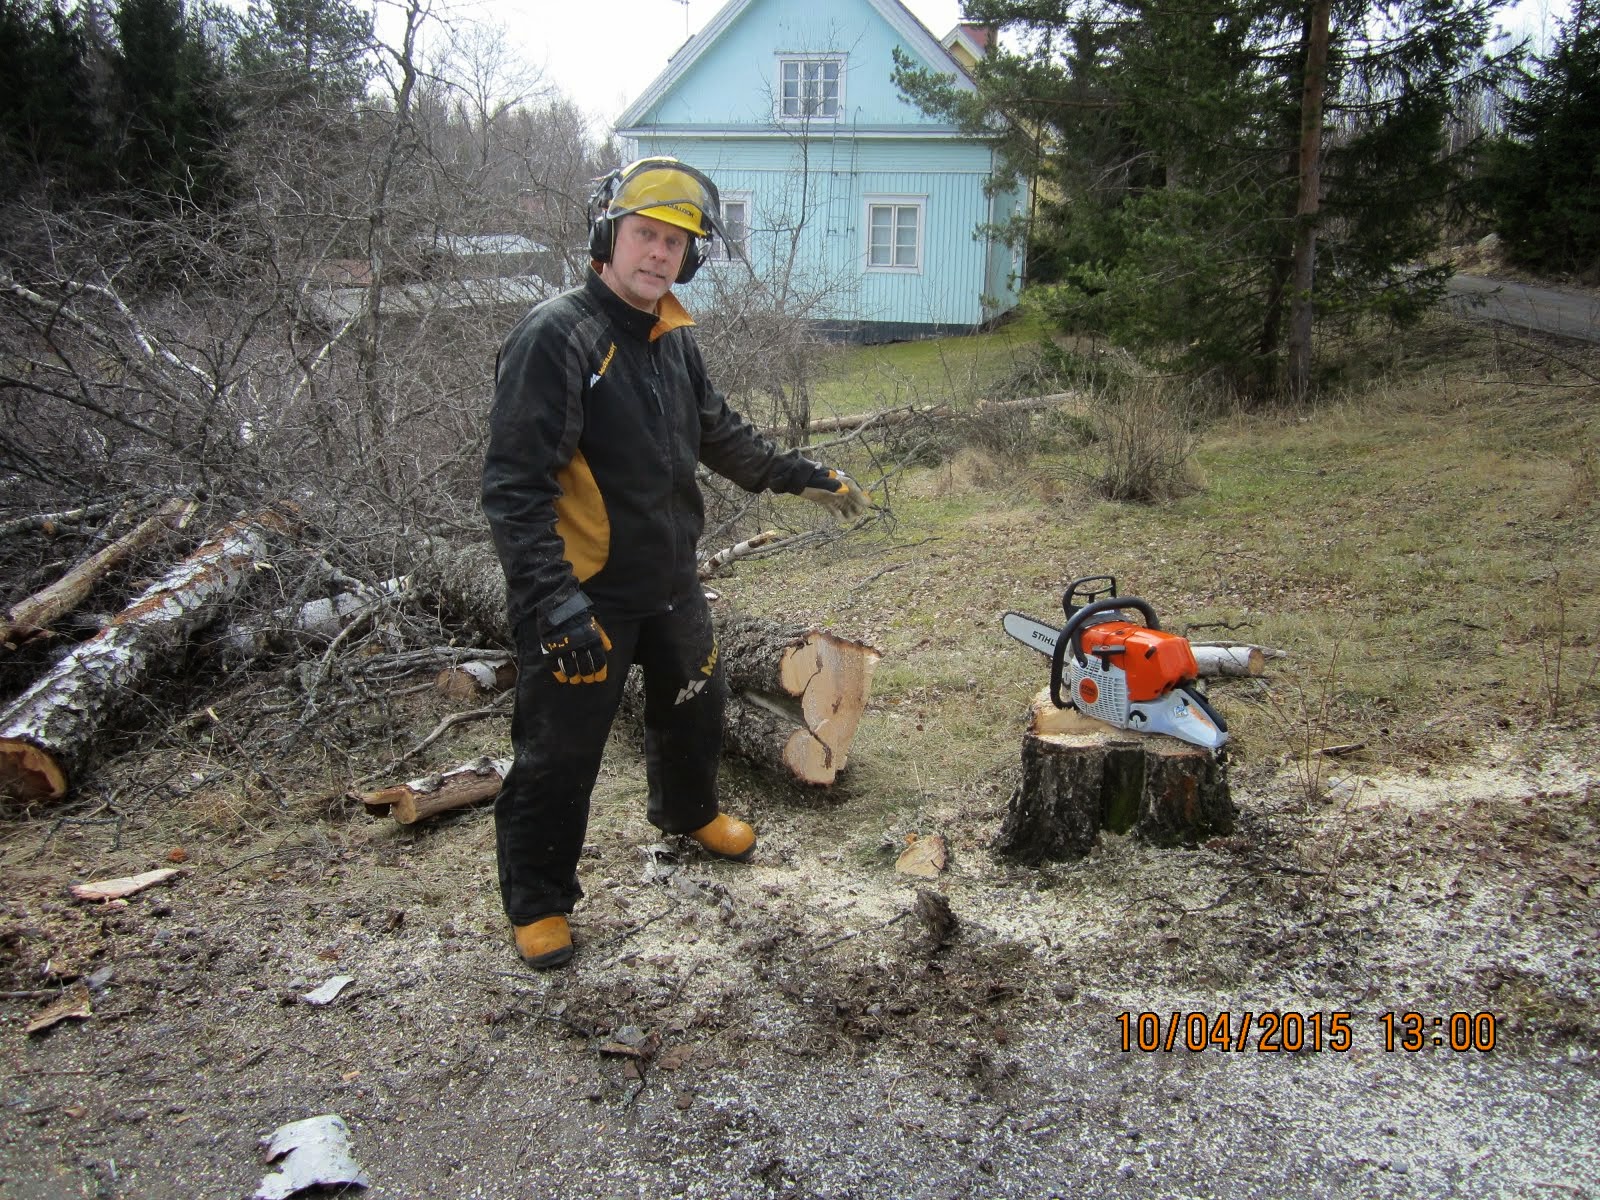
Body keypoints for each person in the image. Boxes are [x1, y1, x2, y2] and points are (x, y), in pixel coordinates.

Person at [482, 156, 870, 969]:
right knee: (560, 750)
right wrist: (554, 604)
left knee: (698, 701)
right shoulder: (559, 336)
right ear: (607, 239)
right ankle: (540, 902)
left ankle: (688, 814)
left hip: (668, 576)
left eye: (675, 244)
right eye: (645, 236)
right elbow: (516, 488)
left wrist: (799, 474)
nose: (658, 254)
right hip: (581, 591)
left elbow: (719, 431)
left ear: (689, 259)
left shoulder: (670, 336)